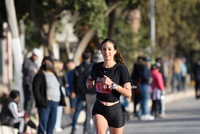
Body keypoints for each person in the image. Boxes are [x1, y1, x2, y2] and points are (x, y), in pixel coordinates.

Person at [86, 38, 132, 134]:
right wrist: (89, 83)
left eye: (109, 49)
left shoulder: (121, 69)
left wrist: (112, 84)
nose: (106, 51)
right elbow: (90, 79)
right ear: (101, 51)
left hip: (115, 110)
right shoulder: (96, 67)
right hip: (99, 108)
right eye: (104, 49)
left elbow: (128, 93)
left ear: (115, 51)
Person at [32, 56, 66, 134]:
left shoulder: (54, 74)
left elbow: (58, 86)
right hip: (46, 103)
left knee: (52, 124)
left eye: (49, 62)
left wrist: (61, 98)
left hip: (55, 102)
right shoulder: (40, 75)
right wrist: (40, 101)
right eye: (45, 62)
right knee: (43, 124)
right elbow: (35, 89)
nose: (47, 64)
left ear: (52, 64)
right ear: (42, 63)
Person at [78, 50, 104, 134]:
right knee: (103, 115)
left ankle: (91, 132)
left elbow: (80, 81)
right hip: (102, 95)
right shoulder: (105, 68)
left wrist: (86, 90)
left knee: (90, 116)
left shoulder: (87, 68)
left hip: (89, 95)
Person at [71, 51, 92, 134]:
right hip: (89, 92)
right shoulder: (91, 67)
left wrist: (75, 91)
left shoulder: (78, 68)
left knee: (78, 110)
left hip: (80, 91)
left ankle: (73, 128)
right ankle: (85, 129)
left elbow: (74, 81)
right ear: (89, 58)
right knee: (88, 110)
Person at [22, 48, 40, 116]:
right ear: (32, 54)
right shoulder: (27, 61)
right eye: (35, 56)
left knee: (31, 101)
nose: (36, 57)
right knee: (28, 100)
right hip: (28, 84)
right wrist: (33, 71)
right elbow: (25, 71)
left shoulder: (35, 63)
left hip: (33, 84)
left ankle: (28, 115)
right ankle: (26, 115)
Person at [53, 60, 69, 132]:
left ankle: (53, 125)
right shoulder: (61, 72)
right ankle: (57, 126)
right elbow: (66, 83)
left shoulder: (51, 72)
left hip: (53, 91)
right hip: (61, 90)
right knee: (59, 110)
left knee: (53, 109)